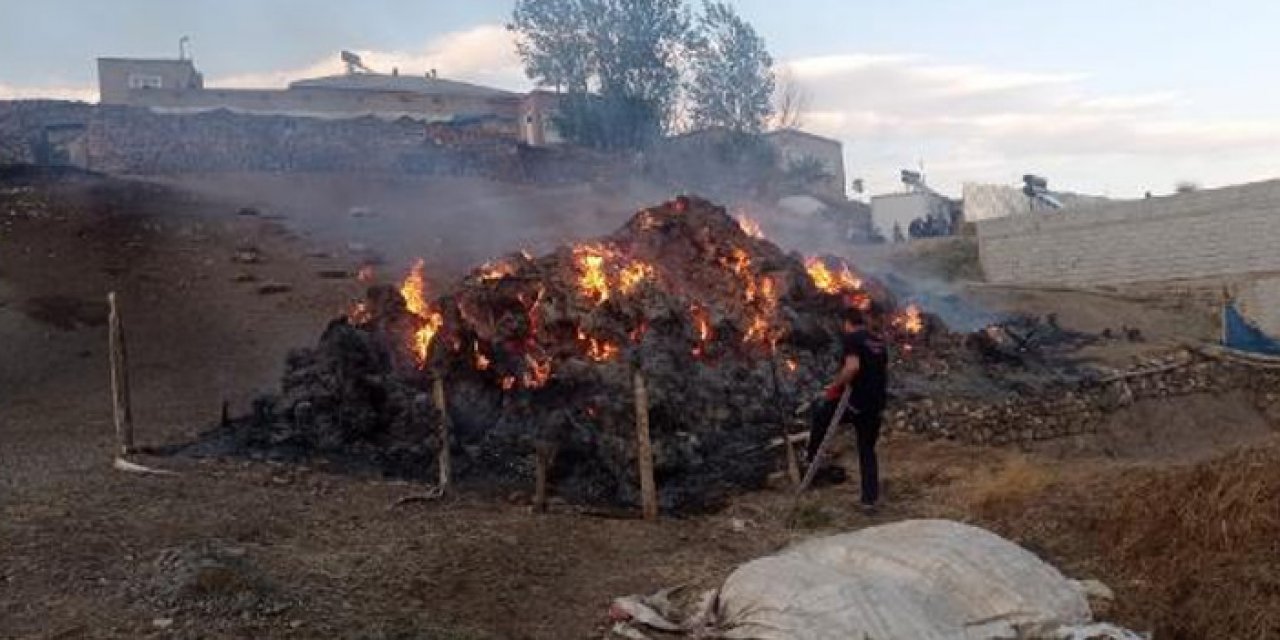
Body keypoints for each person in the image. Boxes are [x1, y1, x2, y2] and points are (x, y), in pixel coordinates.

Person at [807, 306, 890, 511]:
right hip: (876, 404)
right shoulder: (879, 342)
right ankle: (869, 500)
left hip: (855, 403)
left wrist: (835, 386)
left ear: (847, 323)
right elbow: (880, 374)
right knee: (867, 449)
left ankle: (812, 459)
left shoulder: (852, 339)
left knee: (820, 415)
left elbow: (852, 367)